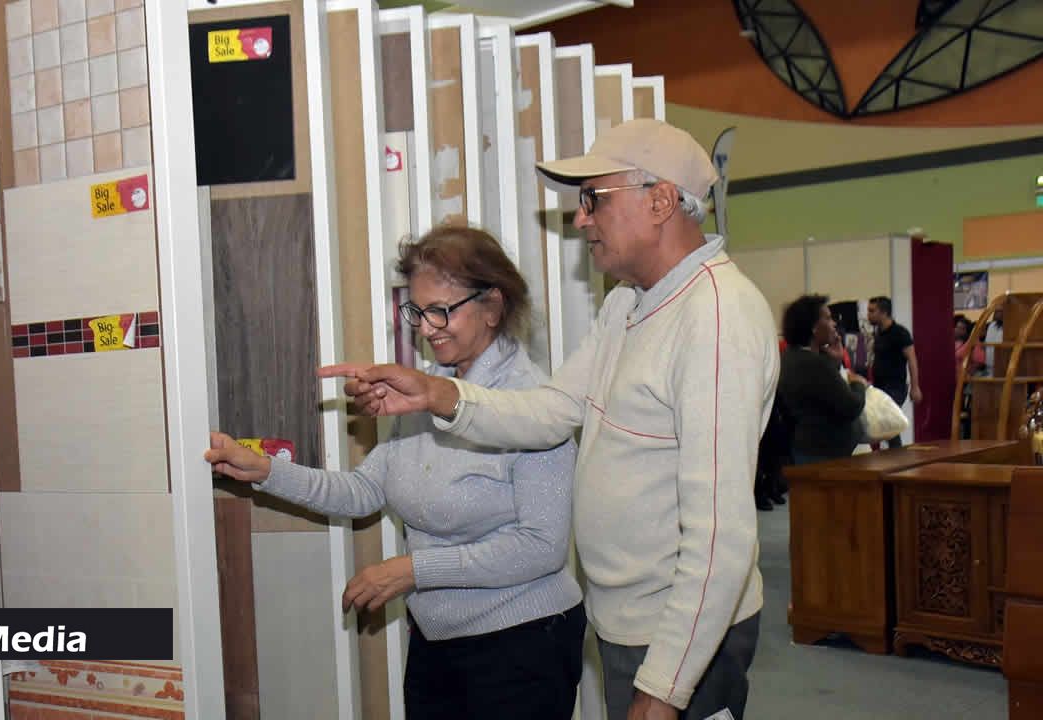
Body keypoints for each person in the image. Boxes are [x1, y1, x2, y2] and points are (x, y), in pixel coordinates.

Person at [324, 119, 778, 720]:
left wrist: (666, 685)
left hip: (681, 630)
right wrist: (437, 394)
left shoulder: (716, 318)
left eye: (594, 199)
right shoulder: (628, 304)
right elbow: (551, 410)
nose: (581, 219)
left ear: (661, 200)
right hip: (626, 620)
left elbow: (721, 534)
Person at [205, 227, 585, 720]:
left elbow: (540, 547)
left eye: (441, 310)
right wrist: (265, 472)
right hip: (437, 640)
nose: (426, 328)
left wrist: (411, 570)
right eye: (417, 311)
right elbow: (365, 489)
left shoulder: (534, 406)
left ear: (493, 307)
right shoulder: (431, 387)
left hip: (524, 644)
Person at [778, 295, 868, 465]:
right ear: (813, 327)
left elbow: (823, 392)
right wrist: (858, 384)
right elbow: (851, 406)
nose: (834, 323)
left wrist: (834, 361)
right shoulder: (814, 364)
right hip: (824, 456)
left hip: (806, 450)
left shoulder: (790, 357)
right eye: (827, 318)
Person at [867, 296, 921, 449]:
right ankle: (888, 454)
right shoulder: (878, 333)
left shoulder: (900, 333)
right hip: (879, 388)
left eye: (872, 311)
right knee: (881, 424)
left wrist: (915, 387)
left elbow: (912, 359)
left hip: (896, 387)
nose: (868, 315)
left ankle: (897, 455)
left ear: (884, 313)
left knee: (888, 421)